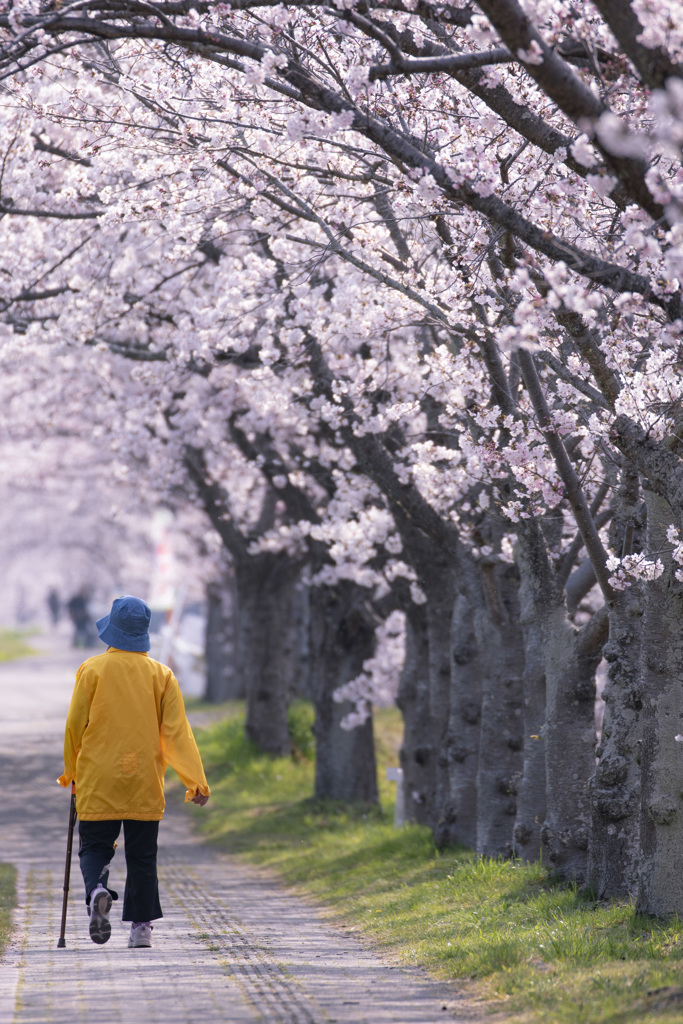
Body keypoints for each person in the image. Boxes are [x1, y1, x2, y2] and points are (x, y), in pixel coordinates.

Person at [58, 594, 210, 949]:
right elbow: (176, 733)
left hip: (99, 776)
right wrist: (195, 781)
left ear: (111, 629)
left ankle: (97, 888)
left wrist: (70, 772)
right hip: (143, 778)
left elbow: (74, 727)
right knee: (143, 855)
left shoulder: (91, 670)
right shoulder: (162, 675)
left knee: (94, 846)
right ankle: (141, 928)